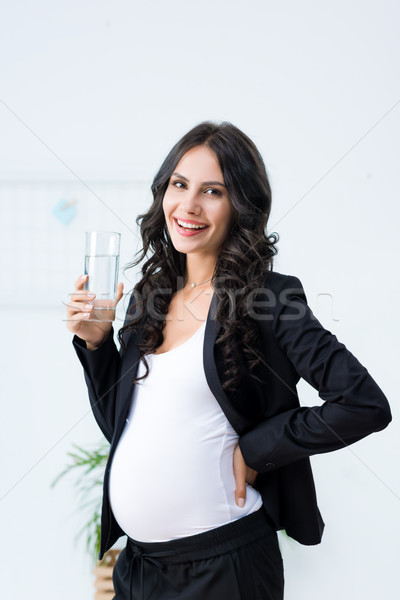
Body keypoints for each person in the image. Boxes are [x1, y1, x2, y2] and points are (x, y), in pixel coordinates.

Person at [66, 121, 392, 600]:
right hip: (139, 570)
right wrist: (96, 346)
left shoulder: (271, 299)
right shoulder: (149, 296)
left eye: (212, 191)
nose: (189, 205)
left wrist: (259, 447)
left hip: (223, 572)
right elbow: (120, 427)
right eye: (180, 185)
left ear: (241, 205)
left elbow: (364, 403)